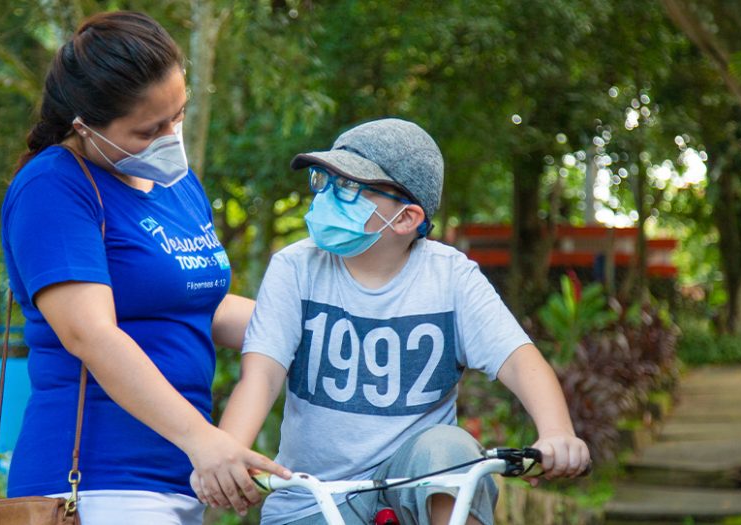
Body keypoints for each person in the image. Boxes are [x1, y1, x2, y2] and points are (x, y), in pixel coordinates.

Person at [193, 118, 591, 525]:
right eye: (325, 181)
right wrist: (227, 453)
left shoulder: (450, 277)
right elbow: (261, 376)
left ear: (404, 219)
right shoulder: (296, 267)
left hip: (415, 484)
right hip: (314, 499)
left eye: (349, 187)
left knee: (450, 452)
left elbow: (520, 361)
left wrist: (557, 432)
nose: (327, 196)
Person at [0, 11, 289, 524]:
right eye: (148, 129)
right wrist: (204, 440)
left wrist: (311, 324)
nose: (170, 137)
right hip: (95, 484)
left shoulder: (179, 186)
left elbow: (197, 302)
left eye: (178, 116)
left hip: (178, 480)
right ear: (85, 125)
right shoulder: (54, 186)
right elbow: (91, 334)